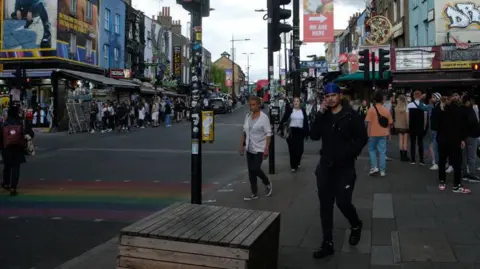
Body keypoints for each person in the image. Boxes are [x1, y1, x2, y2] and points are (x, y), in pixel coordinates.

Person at [309, 83, 368, 259]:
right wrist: (319, 114)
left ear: (340, 96)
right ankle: (327, 243)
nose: (331, 98)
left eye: (334, 95)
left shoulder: (351, 116)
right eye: (328, 96)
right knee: (325, 206)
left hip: (345, 168)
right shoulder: (324, 116)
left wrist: (350, 153)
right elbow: (313, 135)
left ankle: (356, 224)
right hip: (325, 167)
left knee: (343, 202)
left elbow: (362, 138)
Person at [431, 92, 471, 194]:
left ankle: (442, 181)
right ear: (451, 98)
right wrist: (462, 139)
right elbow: (463, 126)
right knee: (457, 163)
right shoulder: (458, 109)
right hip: (455, 140)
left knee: (442, 161)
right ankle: (456, 185)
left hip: (442, 139)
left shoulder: (437, 110)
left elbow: (434, 127)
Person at [239, 96, 273, 201]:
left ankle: (267, 182)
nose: (251, 107)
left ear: (259, 105)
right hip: (249, 148)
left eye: (253, 105)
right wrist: (242, 145)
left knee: (255, 168)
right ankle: (254, 192)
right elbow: (245, 131)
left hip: (260, 148)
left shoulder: (264, 118)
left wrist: (267, 148)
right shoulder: (248, 116)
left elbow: (268, 133)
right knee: (251, 172)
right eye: (250, 105)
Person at [0, 104, 34, 196]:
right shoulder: (21, 122)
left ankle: (6, 183)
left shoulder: (4, 123)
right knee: (16, 167)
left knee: (7, 166)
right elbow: (30, 133)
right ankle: (13, 188)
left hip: (6, 148)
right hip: (18, 147)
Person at [366, 91, 393, 176]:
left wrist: (367, 134)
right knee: (382, 152)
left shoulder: (371, 110)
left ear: (374, 99)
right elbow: (390, 124)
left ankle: (374, 167)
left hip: (373, 133)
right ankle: (382, 171)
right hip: (383, 133)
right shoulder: (386, 110)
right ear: (382, 100)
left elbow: (368, 123)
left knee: (372, 150)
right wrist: (389, 134)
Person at [279, 97, 309, 172]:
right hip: (291, 131)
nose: (296, 102)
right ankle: (293, 166)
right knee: (292, 149)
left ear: (300, 103)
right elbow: (284, 119)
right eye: (294, 101)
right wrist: (280, 129)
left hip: (300, 131)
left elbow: (305, 122)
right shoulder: (290, 110)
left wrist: (307, 133)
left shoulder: (303, 111)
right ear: (293, 103)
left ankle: (298, 161)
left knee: (300, 150)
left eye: (297, 101)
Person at [461, 95, 480, 182]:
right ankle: (471, 174)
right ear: (468, 101)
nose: (473, 102)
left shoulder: (461, 109)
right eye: (472, 101)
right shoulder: (469, 110)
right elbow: (473, 122)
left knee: (464, 155)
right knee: (472, 156)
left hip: (464, 136)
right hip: (472, 135)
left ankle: (465, 173)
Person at [407, 90, 428, 165]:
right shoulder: (424, 105)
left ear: (413, 96)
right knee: (420, 143)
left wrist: (408, 125)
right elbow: (425, 118)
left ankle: (413, 160)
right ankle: (421, 160)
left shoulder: (409, 105)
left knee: (412, 143)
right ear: (420, 96)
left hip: (412, 126)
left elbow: (407, 117)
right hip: (420, 126)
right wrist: (424, 126)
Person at [394, 95, 409, 161]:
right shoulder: (406, 108)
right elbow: (407, 118)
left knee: (400, 141)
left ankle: (401, 156)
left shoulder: (396, 108)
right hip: (405, 126)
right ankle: (405, 156)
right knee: (405, 141)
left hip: (398, 126)